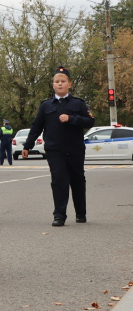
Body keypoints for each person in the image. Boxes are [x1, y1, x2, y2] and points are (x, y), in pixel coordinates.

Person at [23, 67, 95, 226]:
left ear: (69, 84)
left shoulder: (78, 103)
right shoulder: (46, 105)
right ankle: (59, 215)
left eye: (63, 81)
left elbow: (90, 121)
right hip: (55, 150)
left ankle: (81, 213)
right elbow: (36, 127)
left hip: (75, 149)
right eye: (57, 81)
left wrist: (71, 118)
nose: (60, 84)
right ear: (53, 85)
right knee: (59, 181)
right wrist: (27, 146)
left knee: (77, 180)